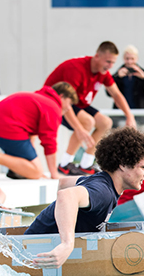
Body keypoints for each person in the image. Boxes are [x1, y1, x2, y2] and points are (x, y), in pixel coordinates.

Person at [28, 127, 144, 268]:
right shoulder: (104, 192)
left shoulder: (101, 180)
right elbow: (66, 195)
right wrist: (67, 244)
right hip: (33, 255)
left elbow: (63, 183)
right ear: (123, 164)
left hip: (34, 249)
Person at [44, 42, 136, 176]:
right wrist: (79, 129)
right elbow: (65, 102)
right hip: (54, 102)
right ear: (97, 56)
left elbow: (116, 94)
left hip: (77, 103)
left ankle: (86, 164)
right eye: (108, 61)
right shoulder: (76, 69)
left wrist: (129, 116)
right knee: (87, 122)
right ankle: (65, 164)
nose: (110, 66)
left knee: (106, 123)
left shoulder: (103, 72)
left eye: (113, 62)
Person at [0, 82, 78, 180]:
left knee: (33, 169)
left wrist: (30, 165)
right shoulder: (53, 107)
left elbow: (31, 138)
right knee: (36, 172)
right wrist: (54, 173)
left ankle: (18, 171)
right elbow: (49, 142)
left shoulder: (40, 98)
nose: (69, 108)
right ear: (62, 96)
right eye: (70, 103)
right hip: (7, 128)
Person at [108, 45, 144, 132]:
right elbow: (109, 93)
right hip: (121, 114)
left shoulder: (142, 73)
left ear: (136, 59)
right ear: (124, 58)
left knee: (143, 135)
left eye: (132, 59)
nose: (130, 62)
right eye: (127, 59)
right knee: (120, 135)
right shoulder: (117, 74)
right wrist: (118, 78)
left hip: (140, 114)